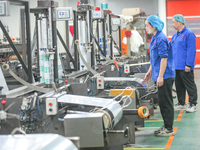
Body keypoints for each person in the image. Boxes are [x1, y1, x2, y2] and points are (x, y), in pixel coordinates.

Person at [143, 15, 175, 136]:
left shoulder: (161, 39)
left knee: (166, 102)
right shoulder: (155, 38)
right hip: (159, 73)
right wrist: (150, 70)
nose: (146, 28)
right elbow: (155, 58)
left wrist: (160, 76)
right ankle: (167, 125)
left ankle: (169, 128)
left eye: (147, 25)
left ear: (154, 25)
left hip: (165, 75)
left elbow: (164, 59)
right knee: (162, 102)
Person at [171, 14, 198, 113]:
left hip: (185, 66)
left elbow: (191, 50)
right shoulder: (175, 36)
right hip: (176, 66)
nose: (172, 24)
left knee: (189, 85)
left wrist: (189, 64)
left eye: (174, 22)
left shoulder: (188, 34)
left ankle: (193, 104)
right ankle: (181, 103)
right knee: (179, 86)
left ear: (179, 22)